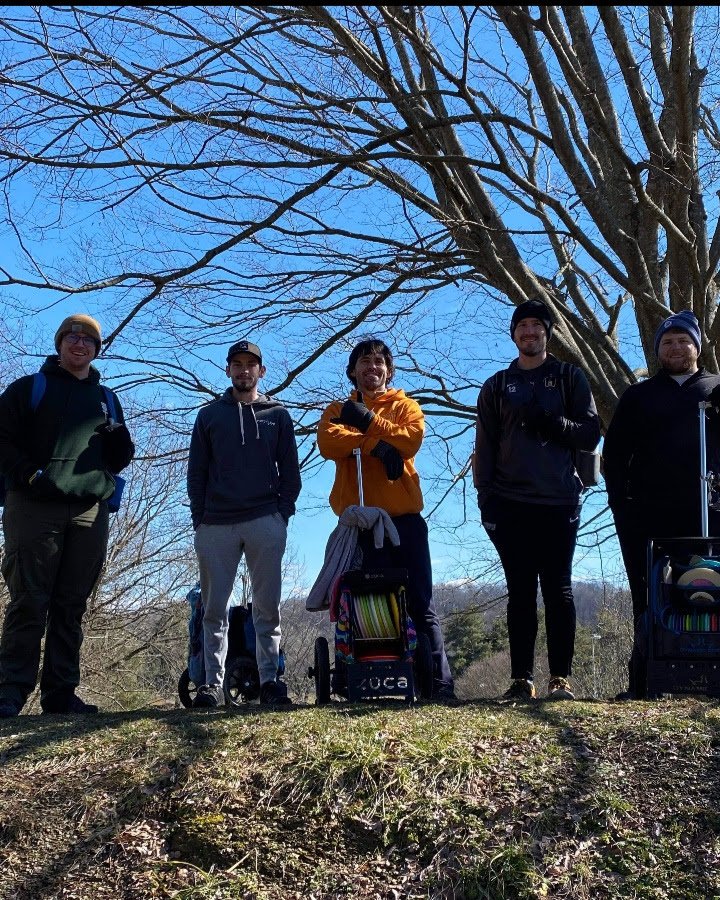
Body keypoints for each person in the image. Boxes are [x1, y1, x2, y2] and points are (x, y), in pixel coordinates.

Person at [0, 314, 135, 718]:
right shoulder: (29, 388)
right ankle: (10, 692)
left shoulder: (107, 398)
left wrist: (120, 441)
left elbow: (118, 459)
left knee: (71, 605)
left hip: (89, 510)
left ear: (96, 349)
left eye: (88, 340)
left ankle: (60, 695)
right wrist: (30, 475)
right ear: (60, 344)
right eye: (72, 338)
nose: (79, 344)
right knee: (28, 600)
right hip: (33, 505)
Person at [474, 299, 601, 701]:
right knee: (520, 590)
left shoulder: (568, 377)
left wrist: (552, 422)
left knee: (559, 589)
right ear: (514, 334)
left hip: (559, 500)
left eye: (536, 326)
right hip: (509, 501)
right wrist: (485, 498)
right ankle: (521, 680)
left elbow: (590, 433)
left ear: (548, 333)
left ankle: (560, 678)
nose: (529, 332)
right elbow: (485, 446)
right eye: (522, 326)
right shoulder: (497, 385)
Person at [317, 337, 455, 699]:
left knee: (420, 603)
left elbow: (410, 440)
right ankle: (354, 680)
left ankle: (439, 686)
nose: (372, 367)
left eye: (379, 361)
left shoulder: (406, 406)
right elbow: (329, 443)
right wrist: (375, 445)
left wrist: (366, 422)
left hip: (404, 522)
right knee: (356, 603)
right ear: (352, 371)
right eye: (364, 361)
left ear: (389, 371)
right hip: (360, 523)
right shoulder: (337, 409)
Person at [603, 310, 720, 698]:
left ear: (697, 346)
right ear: (657, 351)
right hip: (649, 516)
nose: (675, 347)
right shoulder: (639, 396)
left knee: (710, 588)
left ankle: (710, 679)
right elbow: (615, 457)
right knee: (649, 593)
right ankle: (644, 682)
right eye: (667, 342)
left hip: (709, 513)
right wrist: (622, 504)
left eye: (683, 340)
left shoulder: (716, 389)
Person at [187, 339, 301, 708]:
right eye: (236, 364)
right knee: (213, 610)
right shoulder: (208, 416)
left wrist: (281, 516)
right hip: (216, 525)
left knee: (267, 608)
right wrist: (200, 520)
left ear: (261, 371)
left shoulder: (277, 415)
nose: (243, 370)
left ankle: (270, 682)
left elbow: (291, 473)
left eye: (250, 365)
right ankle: (210, 686)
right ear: (228, 370)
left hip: (264, 520)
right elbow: (196, 473)